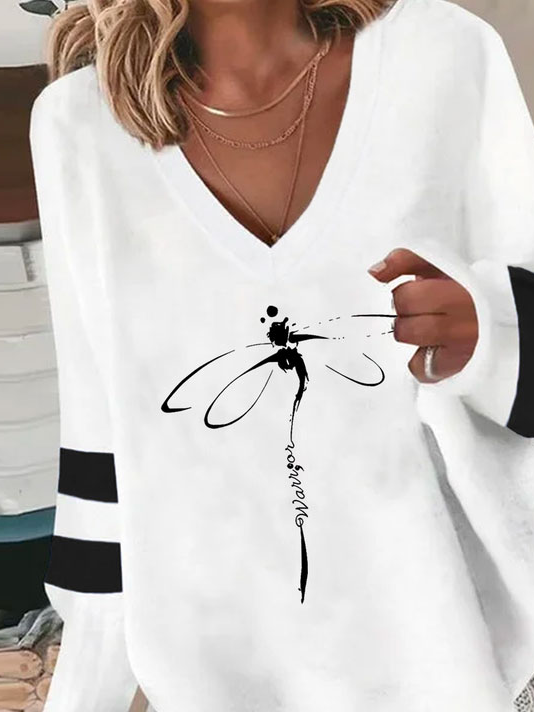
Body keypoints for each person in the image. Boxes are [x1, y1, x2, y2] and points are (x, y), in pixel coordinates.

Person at [28, 0, 534, 710]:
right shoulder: (76, 127)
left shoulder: (448, 57)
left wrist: (495, 334)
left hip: (449, 663)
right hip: (215, 680)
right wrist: (86, 691)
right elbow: (98, 439)